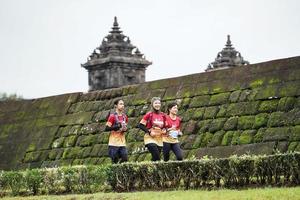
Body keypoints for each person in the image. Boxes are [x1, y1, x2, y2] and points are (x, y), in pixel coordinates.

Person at [138, 97, 166, 161]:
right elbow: (140, 125)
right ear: (152, 104)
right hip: (150, 138)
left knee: (156, 159)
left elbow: (166, 126)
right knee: (156, 156)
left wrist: (165, 130)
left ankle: (149, 169)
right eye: (155, 103)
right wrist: (149, 132)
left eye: (159, 103)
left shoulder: (163, 115)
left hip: (159, 139)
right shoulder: (149, 114)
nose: (157, 105)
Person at [105, 99, 128, 164]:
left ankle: (120, 171)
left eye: (123, 104)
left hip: (122, 142)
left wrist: (125, 129)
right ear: (116, 106)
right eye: (120, 104)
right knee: (115, 162)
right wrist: (117, 127)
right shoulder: (112, 116)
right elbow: (106, 128)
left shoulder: (125, 117)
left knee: (125, 158)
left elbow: (126, 127)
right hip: (113, 143)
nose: (122, 106)